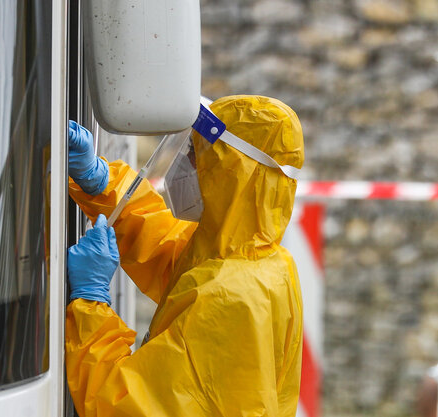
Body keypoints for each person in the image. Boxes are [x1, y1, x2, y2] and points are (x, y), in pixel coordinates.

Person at [65, 95, 305, 416]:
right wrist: (102, 184)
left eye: (195, 152)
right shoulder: (254, 259)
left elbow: (123, 406)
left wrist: (90, 304)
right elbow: (171, 253)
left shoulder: (232, 295)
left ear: (228, 171)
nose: (184, 164)